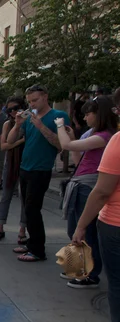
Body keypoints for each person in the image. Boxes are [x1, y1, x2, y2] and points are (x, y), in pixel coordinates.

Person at [58, 96, 117, 288]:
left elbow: (67, 146)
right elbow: (78, 158)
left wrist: (59, 126)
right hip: (81, 183)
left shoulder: (105, 137)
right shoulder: (96, 135)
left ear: (99, 114)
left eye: (88, 114)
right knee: (75, 230)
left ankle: (90, 274)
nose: (85, 118)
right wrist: (72, 137)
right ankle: (79, 269)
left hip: (89, 186)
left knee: (86, 233)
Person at [71, 129, 120, 322]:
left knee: (118, 284)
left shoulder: (116, 140)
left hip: (116, 224)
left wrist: (81, 225)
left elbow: (101, 191)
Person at [7, 85, 70, 262]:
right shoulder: (29, 118)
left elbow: (61, 145)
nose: (32, 104)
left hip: (41, 169)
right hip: (25, 167)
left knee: (33, 209)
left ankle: (37, 249)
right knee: (27, 208)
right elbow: (10, 141)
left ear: (45, 97)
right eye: (29, 101)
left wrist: (41, 126)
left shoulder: (59, 116)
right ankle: (31, 242)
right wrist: (17, 125)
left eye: (35, 100)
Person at [0, 97, 28, 244]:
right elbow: (4, 146)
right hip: (11, 163)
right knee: (6, 195)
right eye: (10, 109)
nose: (13, 112)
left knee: (24, 198)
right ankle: (0, 227)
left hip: (26, 162)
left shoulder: (30, 121)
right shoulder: (8, 124)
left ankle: (22, 230)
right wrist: (21, 140)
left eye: (16, 108)